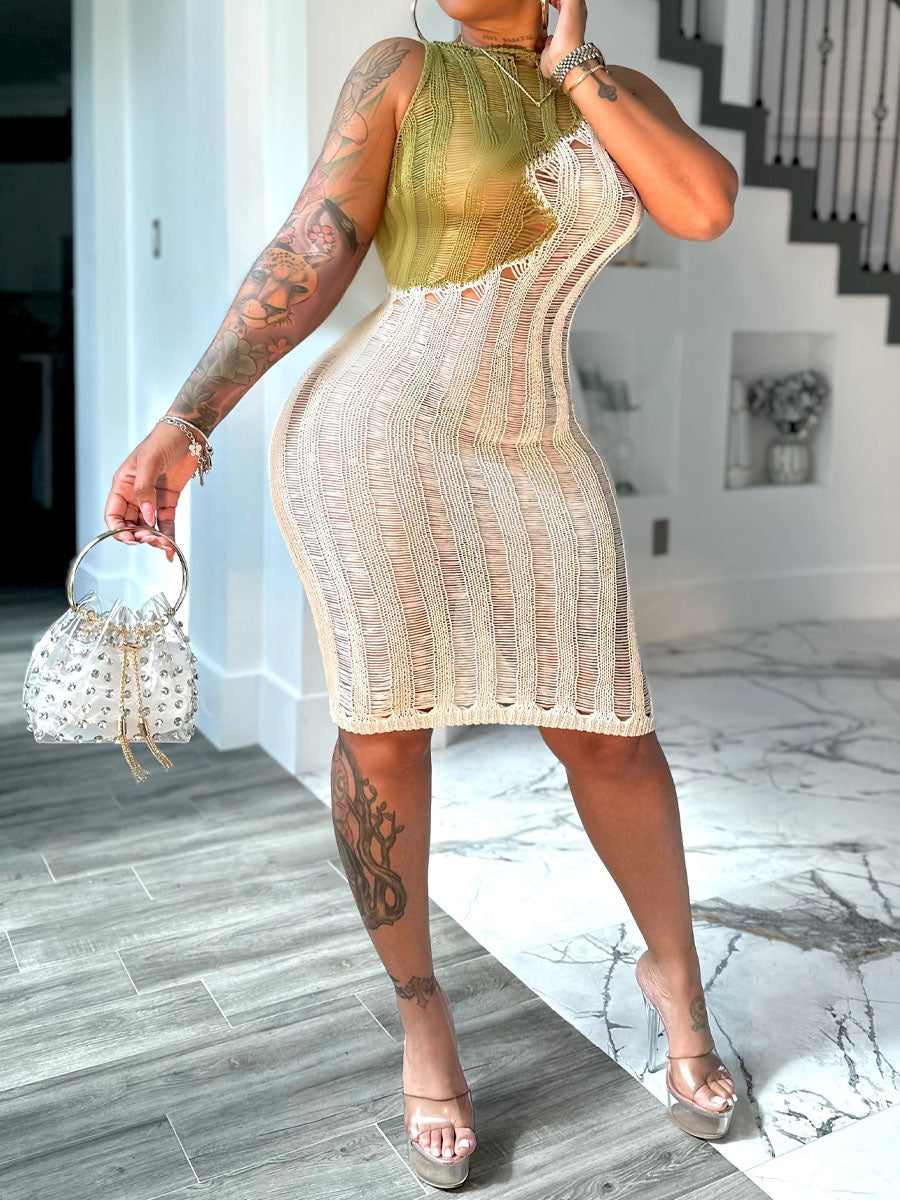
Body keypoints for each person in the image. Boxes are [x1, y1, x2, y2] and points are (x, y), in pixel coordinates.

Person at [105, 0, 740, 1187]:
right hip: (377, 436)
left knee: (610, 735)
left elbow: (703, 207)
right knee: (387, 732)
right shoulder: (403, 70)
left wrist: (575, 64)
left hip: (539, 444)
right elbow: (311, 247)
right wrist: (188, 421)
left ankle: (677, 981)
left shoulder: (612, 89)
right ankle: (421, 1010)